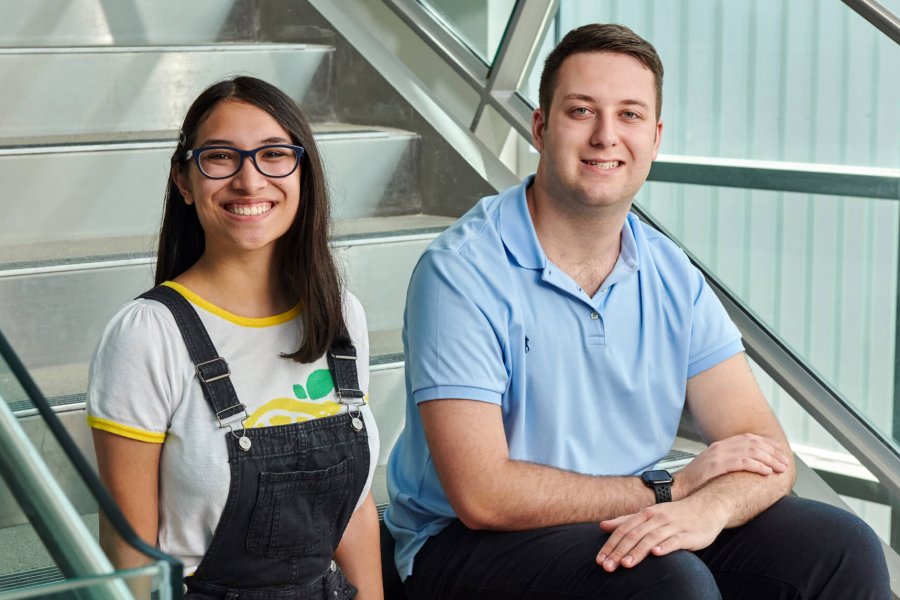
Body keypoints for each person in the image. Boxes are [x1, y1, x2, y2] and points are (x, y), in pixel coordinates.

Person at [384, 24, 890, 599]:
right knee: (667, 582)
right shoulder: (462, 271)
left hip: (632, 510)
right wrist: (671, 490)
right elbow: (483, 496)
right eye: (581, 111)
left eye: (629, 115)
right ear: (540, 126)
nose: (606, 136)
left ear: (655, 136)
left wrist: (708, 509)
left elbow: (767, 450)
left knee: (841, 546)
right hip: (466, 543)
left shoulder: (670, 271)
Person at [87, 76, 382, 600]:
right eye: (221, 157)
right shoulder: (147, 335)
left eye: (273, 155)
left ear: (302, 174)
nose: (250, 181)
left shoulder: (341, 317)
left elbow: (354, 512)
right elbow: (131, 557)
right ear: (184, 179)